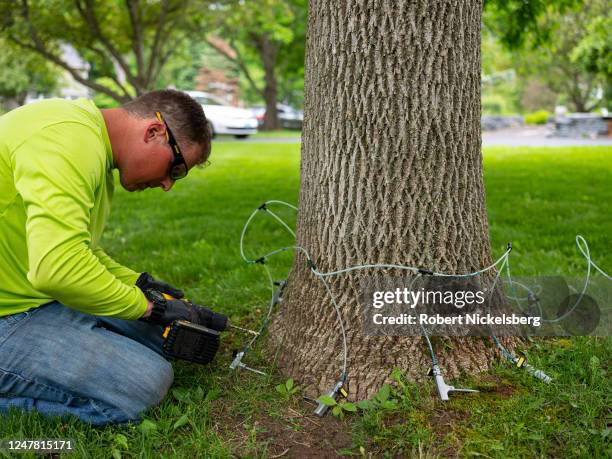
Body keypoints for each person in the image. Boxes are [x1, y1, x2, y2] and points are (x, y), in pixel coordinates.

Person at [0, 89, 215, 425]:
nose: (168, 184)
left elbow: (79, 251)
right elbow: (58, 270)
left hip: (28, 296)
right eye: (176, 169)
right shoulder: (66, 140)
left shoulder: (88, 143)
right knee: (143, 385)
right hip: (10, 314)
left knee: (163, 339)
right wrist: (149, 306)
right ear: (154, 132)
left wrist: (142, 285)